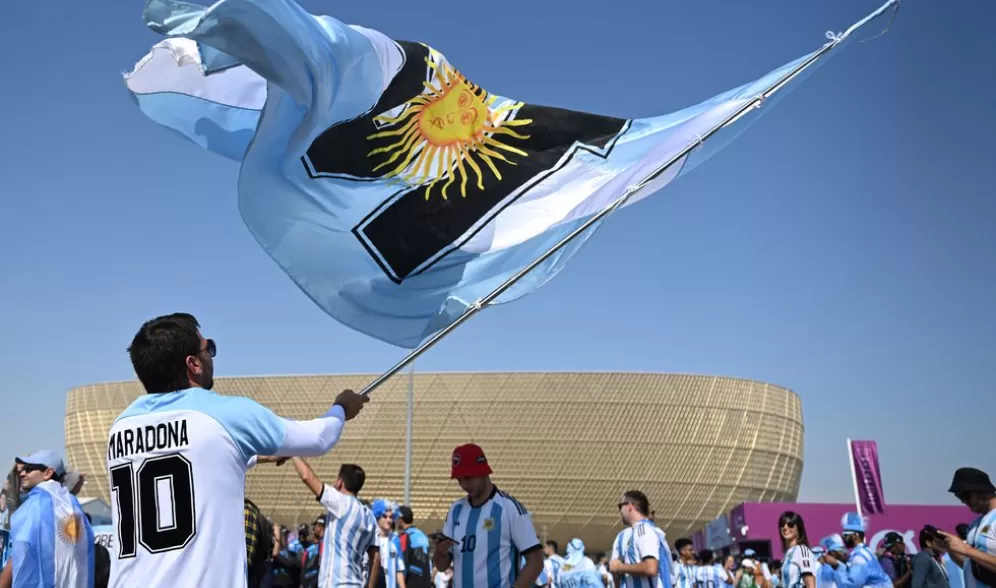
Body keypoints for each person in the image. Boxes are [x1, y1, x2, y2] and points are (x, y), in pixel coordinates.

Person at [105, 312, 368, 588]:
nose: (211, 357)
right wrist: (341, 407)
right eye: (210, 349)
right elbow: (318, 438)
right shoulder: (224, 413)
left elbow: (200, 456)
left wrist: (260, 456)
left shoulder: (121, 427)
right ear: (193, 364)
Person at [433, 444, 543, 588]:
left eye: (468, 477)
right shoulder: (455, 510)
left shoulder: (509, 508)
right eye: (459, 480)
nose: (464, 485)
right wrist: (440, 552)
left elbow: (535, 561)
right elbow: (442, 566)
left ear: (483, 470)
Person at [275, 456, 380, 588]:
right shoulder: (369, 516)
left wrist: (293, 453)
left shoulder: (340, 503)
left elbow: (307, 477)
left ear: (340, 482)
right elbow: (375, 558)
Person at [0, 451, 94, 588]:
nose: (22, 473)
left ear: (48, 473)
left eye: (29, 469)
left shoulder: (33, 506)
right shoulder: (73, 505)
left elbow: (21, 553)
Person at [940, 468, 996, 588]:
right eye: (959, 496)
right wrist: (950, 547)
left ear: (982, 490)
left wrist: (968, 551)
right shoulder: (975, 524)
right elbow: (970, 567)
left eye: (965, 495)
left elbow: (970, 554)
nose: (963, 501)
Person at [608, 490, 671, 588]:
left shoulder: (644, 531)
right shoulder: (622, 536)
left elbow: (650, 568)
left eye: (620, 506)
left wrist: (620, 567)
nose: (620, 511)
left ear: (629, 506)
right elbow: (616, 574)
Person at [823, 513, 891, 588]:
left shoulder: (859, 558)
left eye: (846, 535)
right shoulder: (866, 551)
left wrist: (837, 566)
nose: (843, 538)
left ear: (855, 536)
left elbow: (851, 586)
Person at [778, 511, 817, 588]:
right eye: (782, 525)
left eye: (790, 525)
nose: (785, 527)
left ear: (798, 529)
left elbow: (811, 584)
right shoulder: (787, 554)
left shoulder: (802, 551)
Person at [396, 506, 431, 588]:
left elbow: (402, 563)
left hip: (412, 583)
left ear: (401, 519)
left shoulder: (404, 536)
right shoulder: (423, 535)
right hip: (426, 582)